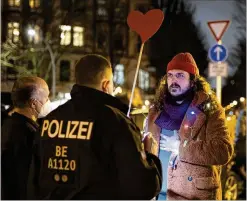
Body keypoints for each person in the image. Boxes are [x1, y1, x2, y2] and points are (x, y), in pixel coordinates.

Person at [32, 54, 162, 200]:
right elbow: (141, 187)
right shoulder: (116, 122)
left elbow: (34, 182)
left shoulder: (48, 121)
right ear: (106, 85)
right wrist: (150, 156)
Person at [144, 53, 234, 200]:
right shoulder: (156, 111)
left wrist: (182, 147)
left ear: (193, 81)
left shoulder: (209, 110)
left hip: (192, 197)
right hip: (157, 196)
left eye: (180, 75)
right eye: (170, 75)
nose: (173, 80)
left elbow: (223, 150)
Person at [1, 76, 50, 199]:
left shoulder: (7, 125)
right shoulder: (29, 134)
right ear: (33, 103)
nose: (48, 101)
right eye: (46, 97)